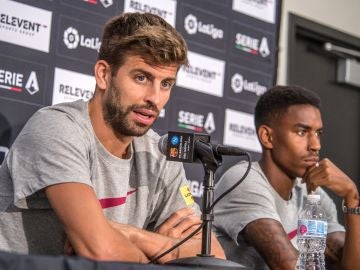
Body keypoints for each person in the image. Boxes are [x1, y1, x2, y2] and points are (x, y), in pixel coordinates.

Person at [0, 12, 225, 263]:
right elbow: (101, 252)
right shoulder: (56, 128)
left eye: (166, 84)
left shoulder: (160, 154)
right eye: (141, 78)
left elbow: (213, 255)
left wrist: (136, 237)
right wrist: (165, 252)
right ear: (104, 75)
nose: (155, 98)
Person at [213, 85, 360, 270]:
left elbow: (351, 265)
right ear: (267, 137)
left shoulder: (312, 193)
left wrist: (352, 197)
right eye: (302, 132)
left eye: (318, 133)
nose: (316, 145)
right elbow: (288, 266)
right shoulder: (244, 181)